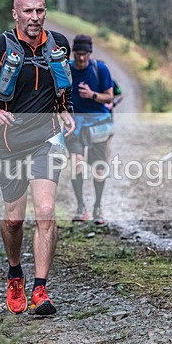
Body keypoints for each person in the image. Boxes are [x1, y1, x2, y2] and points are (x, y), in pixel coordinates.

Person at [0, 0, 75, 316]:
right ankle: (14, 274)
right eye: (28, 12)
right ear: (16, 14)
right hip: (10, 144)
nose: (35, 18)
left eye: (40, 11)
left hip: (47, 139)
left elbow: (64, 84)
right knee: (13, 219)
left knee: (47, 209)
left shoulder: (59, 44)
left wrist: (66, 109)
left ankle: (41, 289)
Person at [66, 34, 115, 225]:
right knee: (76, 162)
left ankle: (98, 207)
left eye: (84, 54)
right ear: (73, 53)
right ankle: (81, 207)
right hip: (75, 125)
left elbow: (109, 97)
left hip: (98, 124)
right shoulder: (66, 69)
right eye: (78, 54)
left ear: (90, 53)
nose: (81, 58)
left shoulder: (100, 69)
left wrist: (92, 95)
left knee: (98, 168)